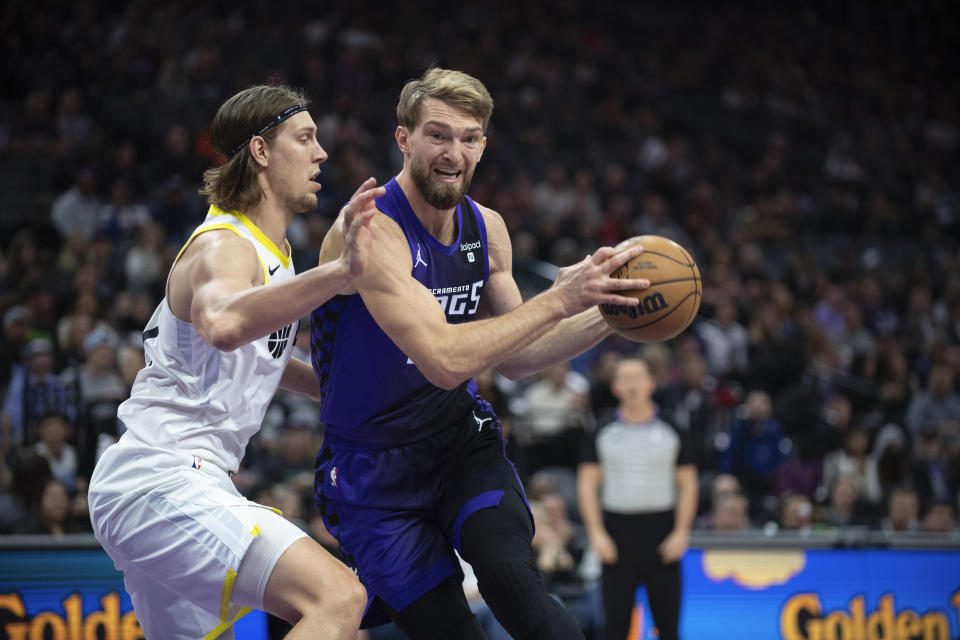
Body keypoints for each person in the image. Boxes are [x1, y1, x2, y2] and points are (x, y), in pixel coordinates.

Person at [310, 67, 649, 640]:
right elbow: (443, 358)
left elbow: (520, 354)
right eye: (438, 134)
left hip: (459, 440)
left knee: (510, 578)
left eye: (469, 138)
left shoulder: (487, 228)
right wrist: (560, 300)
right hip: (373, 469)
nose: (454, 151)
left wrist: (614, 312)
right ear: (404, 139)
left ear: (484, 146)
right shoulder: (369, 231)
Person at [87, 84, 383, 640]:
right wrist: (339, 274)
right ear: (262, 152)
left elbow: (263, 355)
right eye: (306, 138)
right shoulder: (225, 245)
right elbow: (224, 325)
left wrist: (349, 387)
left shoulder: (279, 257)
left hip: (180, 481)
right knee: (339, 598)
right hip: (162, 475)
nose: (322, 153)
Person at [578, 357, 698, 640]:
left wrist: (681, 532)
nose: (632, 384)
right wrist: (596, 534)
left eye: (638, 378)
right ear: (615, 387)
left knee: (669, 629)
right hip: (617, 536)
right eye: (625, 379)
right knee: (615, 629)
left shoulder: (673, 428)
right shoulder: (602, 429)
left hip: (662, 534)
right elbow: (586, 485)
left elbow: (689, 485)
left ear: (651, 384)